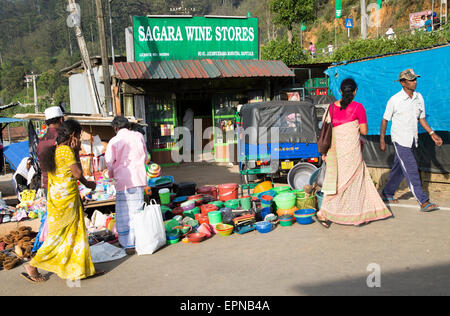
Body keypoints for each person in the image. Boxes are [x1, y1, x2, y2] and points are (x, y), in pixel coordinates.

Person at [22, 119, 98, 283]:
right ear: (72, 135)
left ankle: (80, 269)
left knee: (72, 235)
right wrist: (89, 184)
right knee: (61, 237)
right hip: (66, 202)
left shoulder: (57, 150)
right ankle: (32, 265)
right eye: (78, 135)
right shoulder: (66, 151)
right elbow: (77, 174)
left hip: (60, 200)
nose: (79, 139)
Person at [316, 78, 392, 228]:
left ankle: (324, 212)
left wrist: (324, 152)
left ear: (340, 91)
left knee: (335, 182)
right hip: (351, 152)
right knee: (354, 182)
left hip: (335, 151)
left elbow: (325, 132)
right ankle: (349, 214)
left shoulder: (331, 108)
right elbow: (364, 131)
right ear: (355, 91)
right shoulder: (358, 107)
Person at [380, 69, 443, 212]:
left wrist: (432, 133)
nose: (415, 82)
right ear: (403, 83)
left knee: (399, 168)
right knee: (411, 168)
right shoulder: (395, 100)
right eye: (411, 80)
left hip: (412, 139)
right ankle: (423, 201)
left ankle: (387, 193)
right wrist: (382, 140)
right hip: (400, 139)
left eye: (415, 79)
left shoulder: (419, 97)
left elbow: (421, 118)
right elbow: (384, 120)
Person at [105, 116, 147, 255]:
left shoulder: (114, 141)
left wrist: (110, 175)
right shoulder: (138, 136)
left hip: (122, 180)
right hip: (138, 178)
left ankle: (127, 243)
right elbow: (145, 156)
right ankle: (139, 240)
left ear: (116, 128)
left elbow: (109, 163)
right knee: (137, 211)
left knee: (124, 213)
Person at [33, 106, 65, 252]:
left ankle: (43, 249)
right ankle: (40, 252)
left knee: (50, 218)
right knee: (58, 220)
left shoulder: (42, 140)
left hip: (47, 184)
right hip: (60, 184)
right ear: (61, 119)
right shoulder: (61, 138)